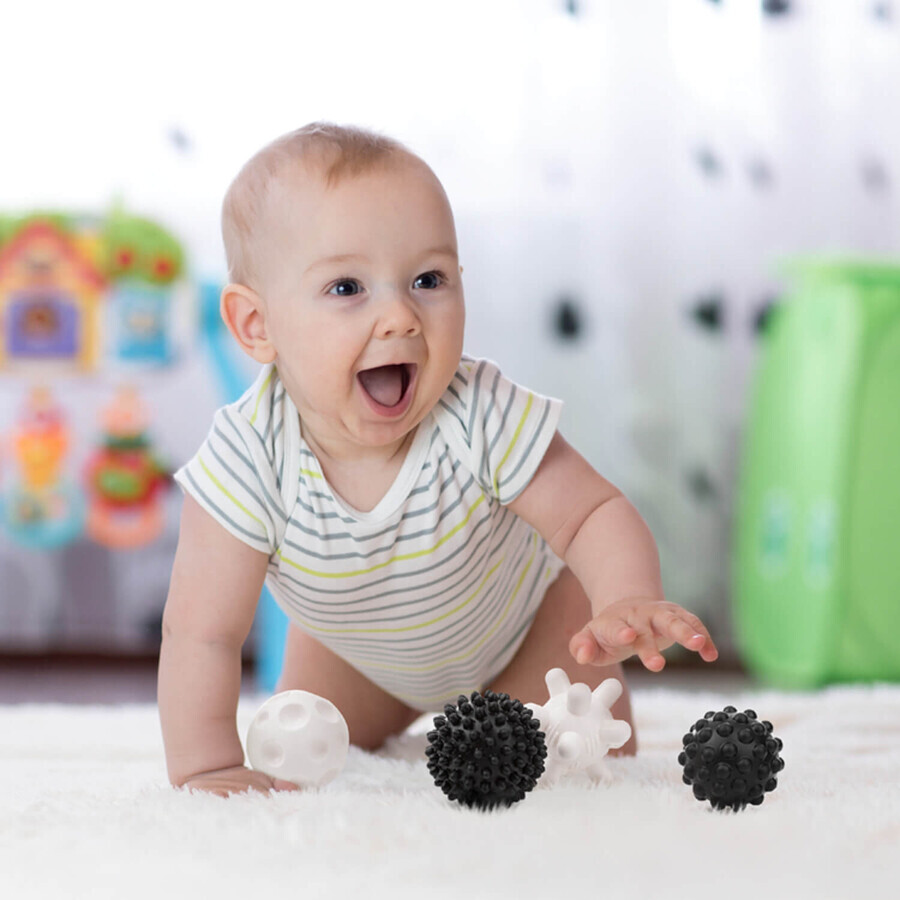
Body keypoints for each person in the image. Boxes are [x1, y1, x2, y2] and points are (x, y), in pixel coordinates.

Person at [158, 122, 719, 797]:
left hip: (525, 639)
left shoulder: (479, 410)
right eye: (346, 289)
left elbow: (590, 513)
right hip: (353, 664)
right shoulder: (246, 459)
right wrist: (207, 765)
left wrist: (625, 596)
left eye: (428, 279)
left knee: (587, 767)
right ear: (257, 326)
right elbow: (202, 633)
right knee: (297, 763)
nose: (399, 316)